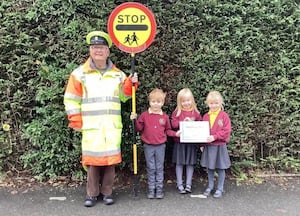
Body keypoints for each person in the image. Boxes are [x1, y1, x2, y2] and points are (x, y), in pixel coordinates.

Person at [64, 31, 138, 207]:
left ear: (108, 52)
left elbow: (124, 96)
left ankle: (107, 193)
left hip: (111, 127)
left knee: (110, 163)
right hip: (91, 127)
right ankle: (91, 194)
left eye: (102, 48)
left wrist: (130, 84)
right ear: (90, 50)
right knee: (93, 163)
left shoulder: (118, 74)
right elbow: (71, 98)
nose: (98, 50)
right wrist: (75, 119)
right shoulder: (79, 74)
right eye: (95, 47)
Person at [131, 88, 180, 199]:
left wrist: (176, 134)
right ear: (150, 102)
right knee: (151, 167)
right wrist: (134, 120)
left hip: (160, 146)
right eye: (153, 101)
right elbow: (139, 128)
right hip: (148, 146)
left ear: (162, 102)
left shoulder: (165, 117)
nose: (155, 104)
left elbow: (167, 130)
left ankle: (159, 189)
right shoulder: (144, 115)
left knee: (159, 167)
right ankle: (151, 189)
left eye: (158, 102)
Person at [200, 91, 232, 198]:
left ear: (221, 103)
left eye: (216, 103)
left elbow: (226, 131)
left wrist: (215, 136)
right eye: (211, 103)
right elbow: (202, 132)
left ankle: (220, 188)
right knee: (210, 168)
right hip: (209, 146)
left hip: (219, 146)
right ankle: (210, 186)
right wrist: (202, 144)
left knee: (221, 168)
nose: (214, 105)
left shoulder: (224, 116)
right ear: (207, 103)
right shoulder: (205, 116)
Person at [171, 88, 202, 194]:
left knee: (190, 163)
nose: (186, 103)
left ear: (192, 100)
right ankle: (179, 184)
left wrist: (192, 123)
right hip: (179, 142)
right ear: (180, 102)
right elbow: (173, 125)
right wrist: (183, 122)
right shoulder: (177, 112)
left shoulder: (196, 113)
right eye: (183, 101)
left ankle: (188, 184)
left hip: (191, 143)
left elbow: (201, 126)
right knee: (179, 163)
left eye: (188, 100)